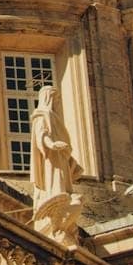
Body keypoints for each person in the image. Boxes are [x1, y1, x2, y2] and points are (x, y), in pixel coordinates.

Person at [28, 84, 82, 245]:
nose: (56, 101)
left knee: (64, 187)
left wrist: (71, 161)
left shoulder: (53, 116)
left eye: (57, 98)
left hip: (60, 158)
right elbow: (41, 134)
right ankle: (52, 210)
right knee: (55, 184)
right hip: (50, 158)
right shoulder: (41, 114)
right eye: (54, 97)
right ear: (47, 97)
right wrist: (51, 145)